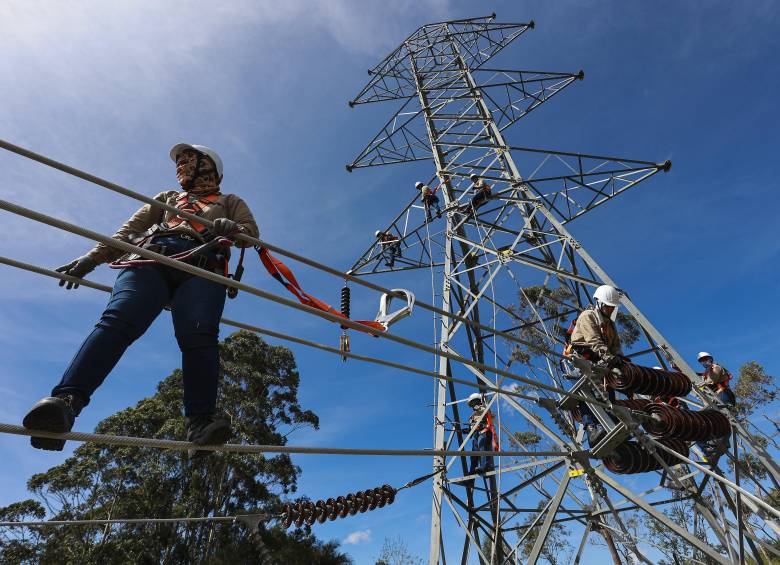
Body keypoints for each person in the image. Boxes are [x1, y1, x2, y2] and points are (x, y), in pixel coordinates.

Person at [22, 144, 259, 453]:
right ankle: (65, 403)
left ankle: (200, 423)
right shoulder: (166, 199)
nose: (181, 166)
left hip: (203, 265)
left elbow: (251, 234)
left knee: (200, 335)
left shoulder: (229, 201)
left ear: (209, 167)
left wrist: (234, 228)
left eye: (189, 160)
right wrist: (91, 259)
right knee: (117, 321)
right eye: (180, 162)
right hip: (150, 259)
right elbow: (127, 232)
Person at [568, 284, 630, 446]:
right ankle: (592, 429)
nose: (610, 310)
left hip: (598, 360)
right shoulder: (588, 316)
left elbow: (615, 345)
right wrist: (610, 358)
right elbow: (593, 340)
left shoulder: (610, 324)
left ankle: (611, 426)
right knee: (586, 391)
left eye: (612, 307)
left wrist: (620, 359)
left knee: (607, 390)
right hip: (580, 358)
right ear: (599, 303)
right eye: (608, 306)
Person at [466, 393, 498, 476]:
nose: (474, 406)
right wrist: (467, 430)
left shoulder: (484, 409)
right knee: (474, 453)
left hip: (484, 431)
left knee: (482, 448)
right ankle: (472, 470)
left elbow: (489, 416)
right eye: (472, 404)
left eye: (474, 403)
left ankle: (484, 467)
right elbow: (472, 427)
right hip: (476, 434)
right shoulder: (473, 416)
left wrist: (482, 423)